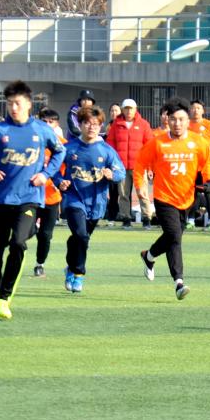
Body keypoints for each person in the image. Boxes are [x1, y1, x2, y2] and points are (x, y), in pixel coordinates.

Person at [0, 80, 66, 320]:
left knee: (18, 244)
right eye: (10, 103)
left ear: (28, 104)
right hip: (0, 199)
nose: (13, 108)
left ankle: (5, 298)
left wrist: (45, 174)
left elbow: (60, 151)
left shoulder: (41, 130)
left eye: (18, 103)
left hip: (29, 199)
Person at [134, 97, 210, 300]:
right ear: (167, 120)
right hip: (164, 197)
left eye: (181, 119)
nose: (177, 123)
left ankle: (149, 256)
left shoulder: (198, 142)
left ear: (188, 121)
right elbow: (140, 164)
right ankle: (179, 282)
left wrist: (209, 181)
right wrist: (140, 187)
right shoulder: (157, 143)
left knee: (173, 237)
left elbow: (208, 163)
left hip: (188, 198)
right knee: (174, 236)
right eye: (173, 119)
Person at [57, 106, 125, 293]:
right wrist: (59, 181)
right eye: (87, 123)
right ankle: (79, 274)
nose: (91, 127)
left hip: (96, 203)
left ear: (101, 126)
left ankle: (70, 267)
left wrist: (112, 174)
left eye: (95, 124)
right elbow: (53, 168)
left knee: (80, 239)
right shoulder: (69, 148)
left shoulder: (106, 150)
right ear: (80, 124)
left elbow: (120, 171)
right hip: (73, 199)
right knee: (81, 235)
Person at [106, 98, 154, 230]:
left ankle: (147, 219)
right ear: (122, 110)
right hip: (121, 166)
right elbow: (110, 145)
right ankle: (126, 218)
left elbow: (149, 146)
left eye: (131, 108)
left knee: (142, 193)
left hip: (139, 166)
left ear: (135, 109)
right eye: (126, 108)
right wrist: (112, 164)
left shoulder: (144, 124)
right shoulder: (116, 125)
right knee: (123, 194)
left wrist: (149, 166)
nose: (128, 111)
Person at [34, 108, 66, 277]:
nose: (47, 124)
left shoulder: (63, 144)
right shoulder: (31, 140)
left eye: (51, 122)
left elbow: (67, 169)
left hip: (51, 197)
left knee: (45, 235)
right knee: (24, 231)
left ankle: (40, 264)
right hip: (31, 196)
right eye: (44, 121)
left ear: (56, 124)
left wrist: (62, 182)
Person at [188, 99, 210, 229]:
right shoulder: (186, 125)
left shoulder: (209, 125)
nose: (196, 110)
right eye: (193, 108)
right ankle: (191, 220)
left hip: (207, 166)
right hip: (191, 165)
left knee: (208, 192)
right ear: (189, 110)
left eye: (198, 108)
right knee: (193, 193)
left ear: (203, 110)